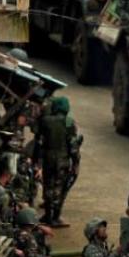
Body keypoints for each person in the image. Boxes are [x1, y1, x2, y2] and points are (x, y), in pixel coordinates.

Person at [36, 96, 77, 227]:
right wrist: (75, 162)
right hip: (63, 160)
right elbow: (73, 144)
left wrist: (38, 160)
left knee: (48, 186)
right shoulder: (69, 121)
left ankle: (47, 215)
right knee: (60, 188)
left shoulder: (45, 121)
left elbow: (39, 141)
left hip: (48, 158)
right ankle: (55, 217)